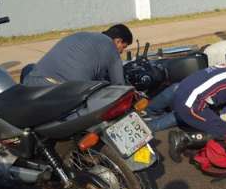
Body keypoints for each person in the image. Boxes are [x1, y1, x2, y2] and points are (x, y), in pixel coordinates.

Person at [23, 24, 177, 131]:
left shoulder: (81, 35)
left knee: (27, 68)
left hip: (34, 86)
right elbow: (119, 85)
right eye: (123, 47)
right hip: (68, 100)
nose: (121, 52)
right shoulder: (111, 49)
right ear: (118, 41)